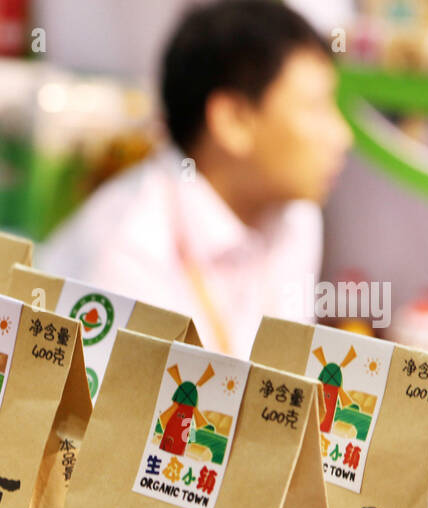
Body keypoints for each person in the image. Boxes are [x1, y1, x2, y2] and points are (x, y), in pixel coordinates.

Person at [40, 0, 354, 358]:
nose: (342, 135)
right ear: (232, 120)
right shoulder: (127, 250)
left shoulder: (295, 217)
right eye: (315, 107)